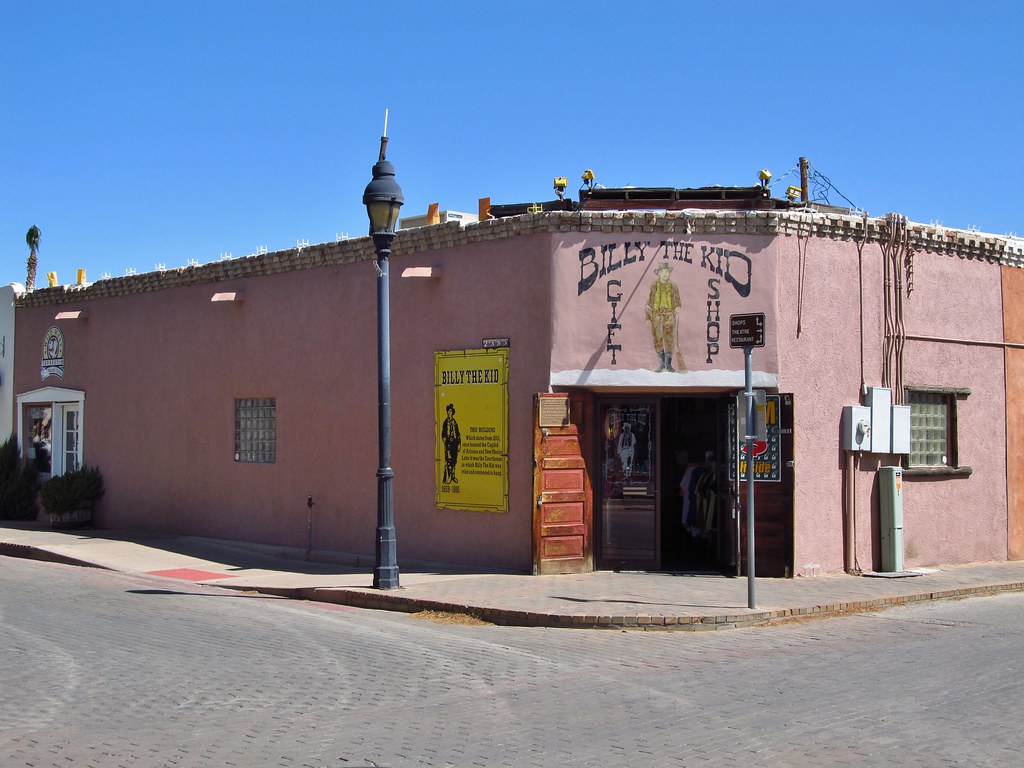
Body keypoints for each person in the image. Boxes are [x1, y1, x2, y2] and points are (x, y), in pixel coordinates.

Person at [645, 262, 684, 372]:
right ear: (659, 273)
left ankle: (669, 365)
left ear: (669, 273)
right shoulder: (654, 285)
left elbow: (678, 300)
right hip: (656, 314)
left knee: (669, 339)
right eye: (662, 272)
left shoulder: (673, 286)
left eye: (667, 271)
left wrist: (677, 307)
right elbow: (650, 299)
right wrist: (648, 312)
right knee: (657, 339)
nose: (665, 274)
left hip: (669, 314)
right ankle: (661, 364)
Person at [441, 403, 461, 483]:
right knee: (448, 461)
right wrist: (445, 439)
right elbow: (443, 433)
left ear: (452, 412)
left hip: (454, 444)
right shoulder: (445, 422)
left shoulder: (455, 423)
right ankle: (448, 478)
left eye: (451, 411)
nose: (449, 413)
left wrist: (459, 444)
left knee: (454, 461)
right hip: (448, 444)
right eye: (448, 411)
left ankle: (453, 476)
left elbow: (458, 434)